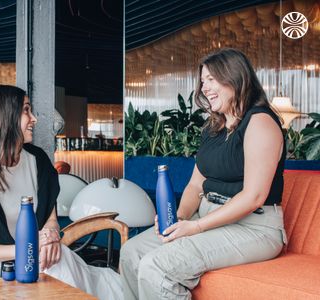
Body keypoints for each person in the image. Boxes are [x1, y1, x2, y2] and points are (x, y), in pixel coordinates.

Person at [119, 48, 287, 300]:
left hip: (253, 228)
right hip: (207, 217)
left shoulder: (260, 122)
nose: (204, 87)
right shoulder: (214, 127)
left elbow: (254, 196)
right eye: (202, 81)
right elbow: (195, 185)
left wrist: (195, 227)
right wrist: (178, 218)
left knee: (157, 267)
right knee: (131, 252)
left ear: (235, 77)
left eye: (211, 79)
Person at [0, 85, 121, 300]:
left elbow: (50, 220)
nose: (34, 118)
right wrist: (30, 248)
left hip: (31, 254)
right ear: (5, 116)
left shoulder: (37, 160)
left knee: (59, 260)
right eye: (26, 110)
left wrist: (51, 238)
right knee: (53, 269)